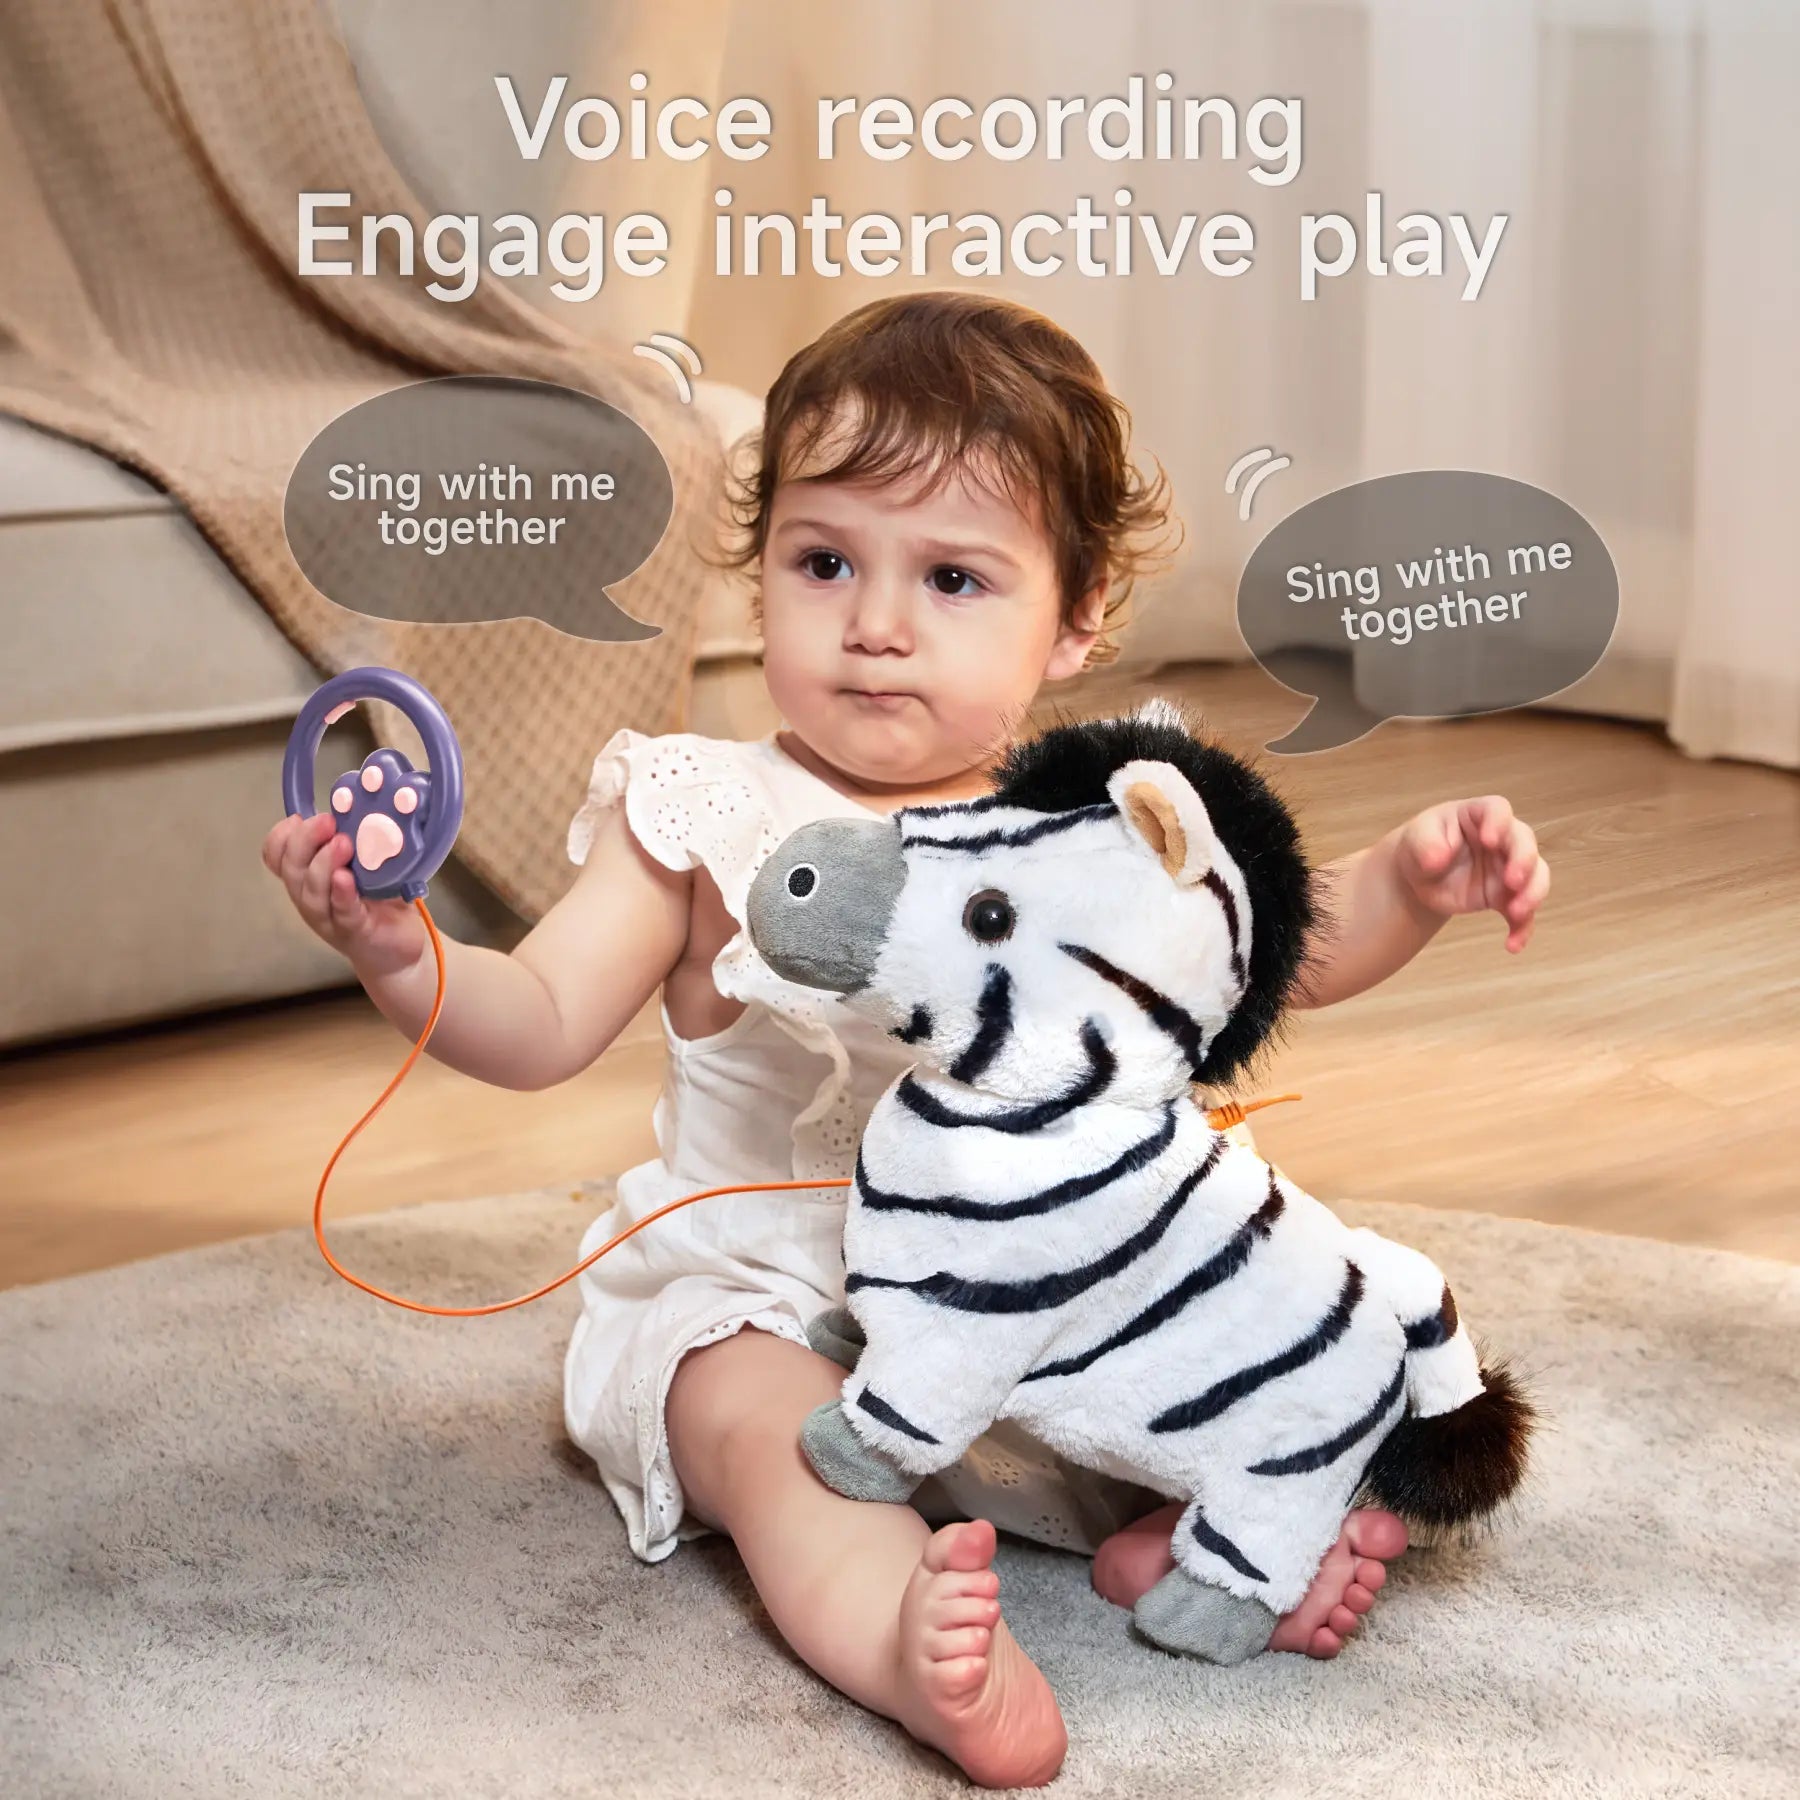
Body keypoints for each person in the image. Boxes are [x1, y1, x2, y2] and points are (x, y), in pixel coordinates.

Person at [263, 292, 1550, 1789]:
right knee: (764, 1434)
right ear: (757, 581)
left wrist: (1407, 884)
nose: (875, 624)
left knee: (1233, 1361)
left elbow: (1278, 965)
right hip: (772, 1284)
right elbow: (539, 1021)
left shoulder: (1099, 820)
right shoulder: (700, 810)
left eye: (952, 577)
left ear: (1075, 622)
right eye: (824, 563)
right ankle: (901, 1645)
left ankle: (1176, 1545)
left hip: (1044, 1278)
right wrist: (394, 949)